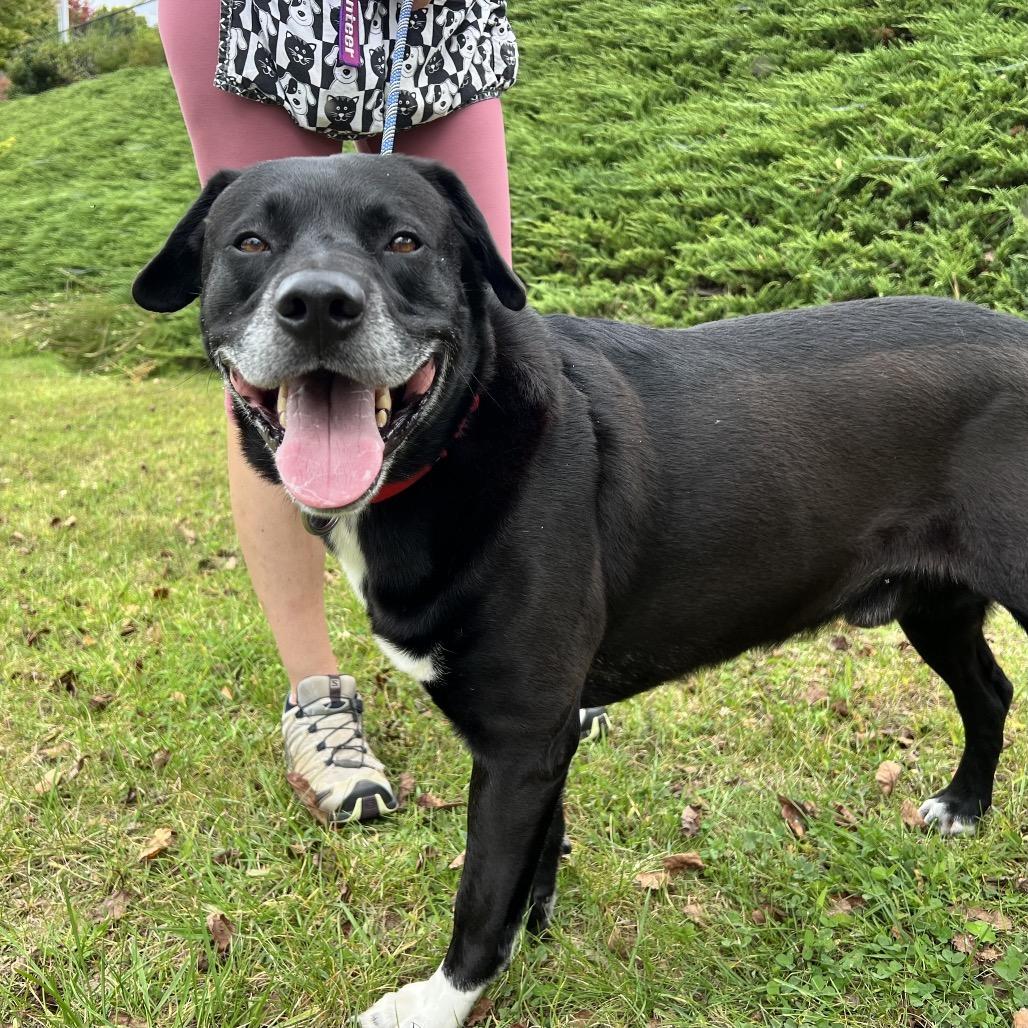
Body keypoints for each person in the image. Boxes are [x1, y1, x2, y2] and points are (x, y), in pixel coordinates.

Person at [158, 0, 610, 826]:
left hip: (432, 19)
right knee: (271, 352)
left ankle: (528, 648)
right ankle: (316, 697)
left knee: (480, 330)